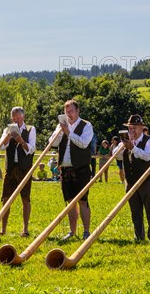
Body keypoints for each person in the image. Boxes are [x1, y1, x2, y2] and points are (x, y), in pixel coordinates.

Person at [50, 99, 93, 240]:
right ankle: (72, 232)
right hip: (65, 167)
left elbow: (84, 143)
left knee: (83, 200)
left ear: (77, 111)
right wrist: (61, 132)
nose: (69, 114)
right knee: (70, 201)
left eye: (71, 111)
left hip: (81, 168)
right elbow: (52, 143)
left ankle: (86, 231)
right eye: (66, 112)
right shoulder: (61, 126)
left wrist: (69, 133)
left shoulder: (86, 125)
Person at [0, 106, 36, 237]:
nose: (16, 121)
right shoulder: (7, 129)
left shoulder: (31, 129)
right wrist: (8, 137)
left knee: (25, 199)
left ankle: (25, 229)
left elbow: (31, 149)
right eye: (14, 118)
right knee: (6, 199)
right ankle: (3, 229)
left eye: (18, 118)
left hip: (24, 168)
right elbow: (2, 146)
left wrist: (21, 141)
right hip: (10, 168)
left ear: (23, 117)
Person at [121, 115, 150, 242]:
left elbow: (147, 156)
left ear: (142, 128)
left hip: (147, 180)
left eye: (135, 128)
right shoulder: (127, 142)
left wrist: (133, 148)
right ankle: (139, 236)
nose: (132, 131)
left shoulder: (149, 141)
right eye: (130, 128)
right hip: (131, 181)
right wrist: (124, 146)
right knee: (135, 211)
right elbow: (116, 154)